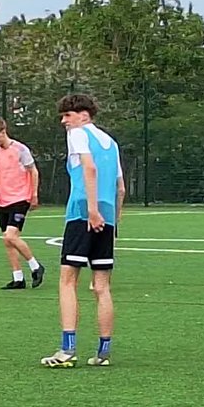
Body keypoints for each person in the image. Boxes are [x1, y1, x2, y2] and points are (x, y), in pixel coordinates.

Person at [41, 93, 124, 368]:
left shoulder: (79, 134)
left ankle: (67, 349)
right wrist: (114, 222)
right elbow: (120, 188)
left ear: (84, 114)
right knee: (102, 286)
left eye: (67, 115)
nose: (64, 121)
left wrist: (91, 210)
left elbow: (89, 168)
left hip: (82, 213)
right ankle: (103, 352)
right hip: (107, 217)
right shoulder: (111, 143)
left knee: (67, 281)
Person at [0, 117, 44, 290]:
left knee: (11, 236)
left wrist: (34, 194)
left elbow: (33, 171)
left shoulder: (20, 149)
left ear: (3, 132)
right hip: (4, 199)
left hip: (20, 198)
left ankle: (36, 266)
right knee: (7, 240)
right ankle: (18, 278)